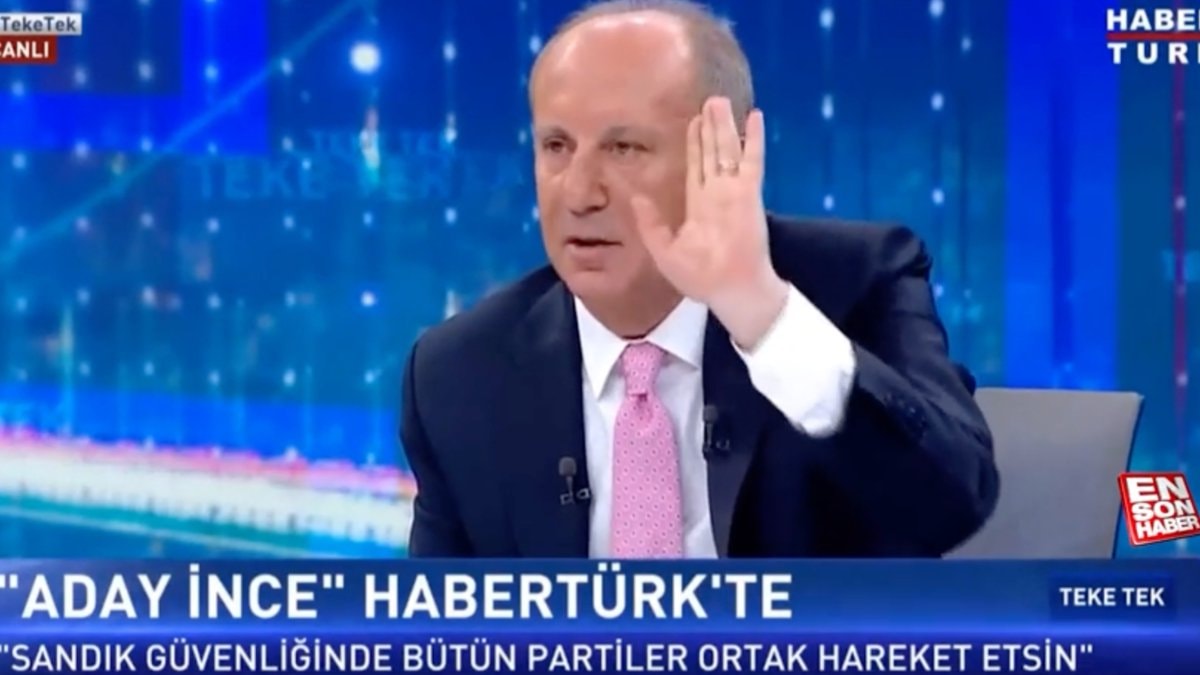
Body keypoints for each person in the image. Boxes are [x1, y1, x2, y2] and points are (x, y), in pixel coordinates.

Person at [400, 0, 999, 558]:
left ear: (725, 158)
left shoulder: (854, 282)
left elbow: (949, 505)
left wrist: (761, 314)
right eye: (556, 145)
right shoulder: (459, 373)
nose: (579, 193)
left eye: (624, 147)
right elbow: (437, 619)